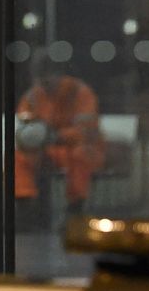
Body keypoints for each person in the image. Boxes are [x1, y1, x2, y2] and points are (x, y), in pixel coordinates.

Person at [14, 59, 104, 224]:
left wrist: (55, 136)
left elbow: (85, 131)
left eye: (48, 77)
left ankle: (75, 208)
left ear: (59, 75)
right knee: (19, 157)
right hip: (49, 149)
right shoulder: (34, 95)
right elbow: (23, 124)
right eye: (40, 78)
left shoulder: (79, 93)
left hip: (82, 147)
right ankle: (25, 205)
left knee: (79, 156)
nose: (45, 83)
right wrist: (31, 136)